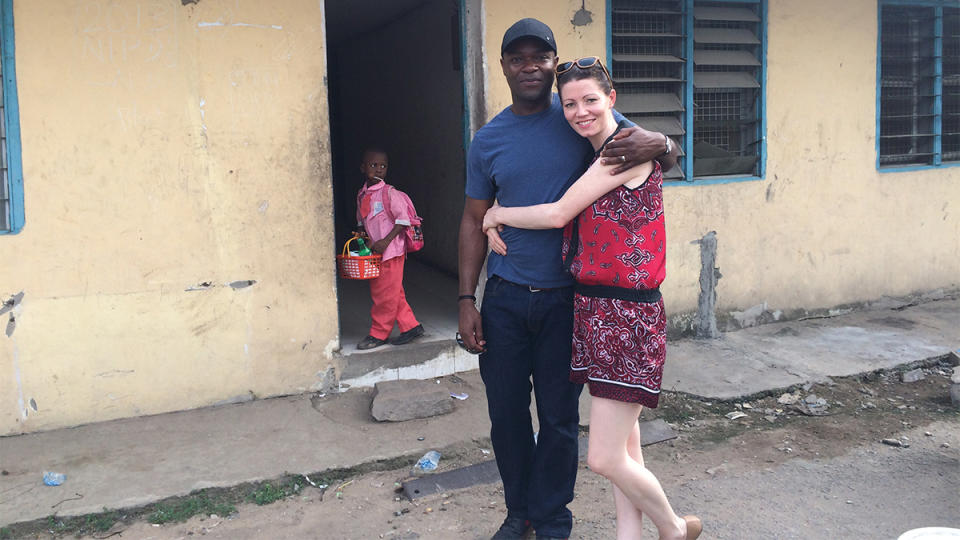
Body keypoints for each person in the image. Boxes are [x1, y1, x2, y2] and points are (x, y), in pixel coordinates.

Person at [457, 18, 678, 540]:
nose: (530, 65)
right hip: (506, 297)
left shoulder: (580, 115)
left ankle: (553, 518)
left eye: (541, 56)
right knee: (507, 416)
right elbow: (471, 217)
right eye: (519, 57)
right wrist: (467, 298)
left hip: (570, 301)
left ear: (553, 64)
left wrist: (665, 138)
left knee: (558, 420)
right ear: (506, 67)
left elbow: (655, 152)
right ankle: (520, 516)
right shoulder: (488, 141)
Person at [355, 146, 424, 350]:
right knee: (393, 291)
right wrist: (363, 241)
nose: (378, 169)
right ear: (362, 167)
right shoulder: (362, 195)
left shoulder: (389, 193)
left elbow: (403, 220)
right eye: (373, 165)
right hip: (375, 254)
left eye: (383, 166)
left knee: (383, 294)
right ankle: (410, 326)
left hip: (391, 252)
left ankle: (378, 333)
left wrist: (385, 241)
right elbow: (361, 222)